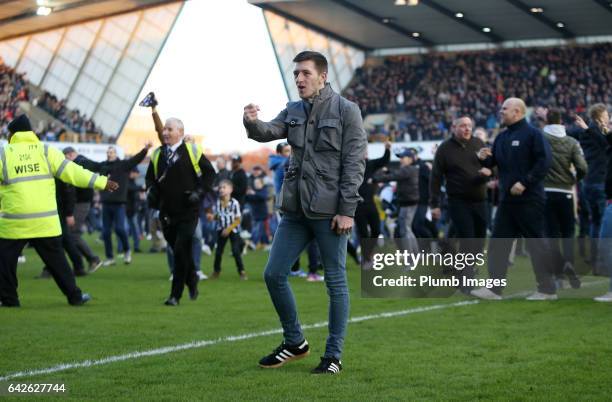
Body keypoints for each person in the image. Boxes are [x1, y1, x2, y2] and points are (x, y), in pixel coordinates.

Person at [243, 50, 366, 374]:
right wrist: (251, 121)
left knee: (336, 282)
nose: (299, 79)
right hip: (295, 210)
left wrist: (347, 210)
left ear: (323, 76)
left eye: (306, 73)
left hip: (330, 212)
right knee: (273, 274)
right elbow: (268, 131)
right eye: (296, 73)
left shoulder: (346, 110)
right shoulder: (293, 109)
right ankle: (295, 342)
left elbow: (355, 163)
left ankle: (333, 356)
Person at [0, 114, 117, 307]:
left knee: (5, 263)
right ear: (31, 132)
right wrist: (102, 181)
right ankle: (75, 296)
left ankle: (9, 300)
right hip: (45, 222)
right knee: (58, 263)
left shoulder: (4, 154)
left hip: (14, 221)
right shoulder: (46, 151)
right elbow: (73, 173)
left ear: (12, 134)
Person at [472, 98, 556, 300]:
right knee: (498, 244)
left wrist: (525, 182)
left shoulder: (533, 134)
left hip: (530, 199)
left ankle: (547, 289)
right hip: (507, 201)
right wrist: (484, 158)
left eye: (504, 109)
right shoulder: (501, 137)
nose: (500, 112)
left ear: (517, 112)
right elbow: (495, 163)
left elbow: (544, 162)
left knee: (536, 244)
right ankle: (494, 289)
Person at [145, 116, 215, 306]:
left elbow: (210, 174)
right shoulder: (157, 154)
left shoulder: (192, 150)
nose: (165, 132)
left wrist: (199, 193)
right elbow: (150, 179)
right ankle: (192, 280)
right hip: (166, 213)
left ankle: (175, 295)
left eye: (169, 129)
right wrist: (150, 191)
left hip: (188, 212)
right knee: (181, 252)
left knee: (178, 250)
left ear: (180, 132)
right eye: (164, 129)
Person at [429, 116, 491, 294]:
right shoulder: (445, 149)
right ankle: (466, 281)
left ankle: (463, 274)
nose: (467, 129)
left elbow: (492, 165)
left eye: (469, 126)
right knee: (467, 239)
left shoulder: (479, 143)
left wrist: (489, 170)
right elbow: (435, 177)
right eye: (463, 126)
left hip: (480, 200)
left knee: (479, 240)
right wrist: (434, 204)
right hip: (458, 201)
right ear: (453, 127)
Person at [542, 109, 587, 288]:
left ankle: (558, 274)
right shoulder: (572, 142)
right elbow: (582, 167)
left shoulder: (541, 139)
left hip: (546, 191)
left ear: (547, 120)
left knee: (551, 235)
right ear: (562, 121)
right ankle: (569, 263)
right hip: (566, 192)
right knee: (568, 233)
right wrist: (575, 180)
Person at [575, 104, 609, 273]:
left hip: (588, 182)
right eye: (607, 115)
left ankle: (595, 259)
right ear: (600, 117)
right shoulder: (595, 132)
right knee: (604, 224)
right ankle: (602, 262)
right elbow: (604, 143)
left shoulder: (586, 132)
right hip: (599, 182)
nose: (609, 117)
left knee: (595, 222)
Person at [62, 147, 102, 271]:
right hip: (80, 202)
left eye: (65, 157)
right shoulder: (81, 162)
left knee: (72, 234)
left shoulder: (80, 163)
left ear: (69, 155)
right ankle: (81, 262)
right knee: (70, 235)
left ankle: (92, 259)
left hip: (81, 203)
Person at [374, 148, 420, 254]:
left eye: (403, 158)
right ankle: (416, 254)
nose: (401, 160)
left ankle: (411, 257)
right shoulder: (409, 169)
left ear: (410, 159)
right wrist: (388, 172)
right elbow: (397, 174)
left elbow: (394, 176)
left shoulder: (407, 169)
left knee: (405, 230)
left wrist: (375, 178)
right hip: (408, 203)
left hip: (408, 203)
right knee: (407, 229)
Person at [355, 141, 390, 267]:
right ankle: (366, 259)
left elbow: (383, 161)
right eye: (363, 151)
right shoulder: (351, 166)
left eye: (366, 151)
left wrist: (387, 149)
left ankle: (368, 254)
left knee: (376, 230)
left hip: (370, 204)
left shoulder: (370, 164)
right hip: (357, 205)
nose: (365, 153)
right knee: (363, 233)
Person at [209, 180, 246, 280]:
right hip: (221, 229)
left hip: (232, 230)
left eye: (224, 187)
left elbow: (238, 219)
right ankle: (216, 271)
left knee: (235, 250)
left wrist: (229, 229)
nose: (221, 189)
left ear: (230, 190)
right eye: (220, 187)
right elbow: (218, 215)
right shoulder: (217, 202)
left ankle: (241, 271)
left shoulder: (234, 203)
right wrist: (212, 217)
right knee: (218, 252)